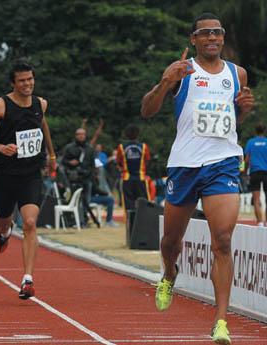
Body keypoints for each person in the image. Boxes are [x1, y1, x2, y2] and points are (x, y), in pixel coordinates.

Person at [141, 13, 254, 345]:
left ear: (222, 38)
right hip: (185, 166)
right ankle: (169, 273)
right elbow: (146, 111)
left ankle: (221, 322)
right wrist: (165, 82)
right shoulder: (182, 71)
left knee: (222, 239)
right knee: (170, 242)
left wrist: (243, 110)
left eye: (217, 33)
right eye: (205, 33)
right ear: (194, 39)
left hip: (223, 164)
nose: (212, 38)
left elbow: (231, 122)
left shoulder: (238, 74)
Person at [0, 61, 57, 300]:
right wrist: (0, 147)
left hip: (31, 173)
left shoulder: (41, 103)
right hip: (6, 174)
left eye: (30, 79)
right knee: (3, 221)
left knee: (30, 223)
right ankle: (4, 233)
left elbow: (43, 126)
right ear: (13, 83)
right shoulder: (1, 106)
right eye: (22, 80)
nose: (27, 84)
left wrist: (52, 154)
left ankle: (28, 278)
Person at [62, 127, 96, 227]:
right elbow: (63, 161)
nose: (81, 136)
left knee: (87, 200)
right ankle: (74, 221)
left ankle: (84, 220)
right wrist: (70, 162)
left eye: (83, 134)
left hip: (87, 178)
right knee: (75, 200)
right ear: (75, 136)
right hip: (74, 179)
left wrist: (92, 174)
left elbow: (93, 164)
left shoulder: (90, 148)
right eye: (79, 134)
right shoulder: (69, 148)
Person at [116, 124, 151, 216]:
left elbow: (119, 162)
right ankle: (144, 222)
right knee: (144, 203)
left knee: (128, 204)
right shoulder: (143, 146)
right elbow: (147, 161)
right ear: (138, 134)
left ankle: (130, 226)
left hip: (127, 179)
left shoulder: (121, 147)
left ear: (126, 135)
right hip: (141, 178)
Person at [244, 122, 267, 227]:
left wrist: (245, 172)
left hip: (255, 172)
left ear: (255, 131)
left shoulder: (250, 142)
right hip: (266, 172)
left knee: (256, 198)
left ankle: (260, 222)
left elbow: (247, 159)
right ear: (265, 130)